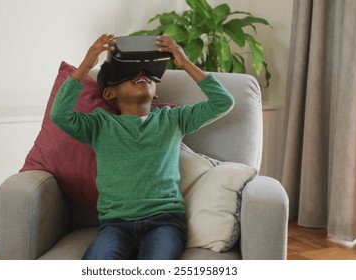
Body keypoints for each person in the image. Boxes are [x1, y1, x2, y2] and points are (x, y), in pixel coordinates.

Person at [50, 34, 234, 260]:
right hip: (116, 225)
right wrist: (87, 64)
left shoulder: (174, 119)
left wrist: (184, 62)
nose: (141, 75)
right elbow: (60, 115)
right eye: (130, 74)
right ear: (109, 93)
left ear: (155, 92)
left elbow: (223, 102)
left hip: (165, 221)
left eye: (148, 74)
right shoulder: (100, 124)